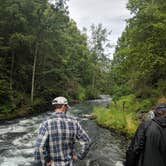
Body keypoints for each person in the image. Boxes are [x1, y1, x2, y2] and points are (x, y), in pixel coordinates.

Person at [34, 96, 91, 166]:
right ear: (64, 106)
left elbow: (39, 148)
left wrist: (43, 163)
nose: (67, 109)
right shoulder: (74, 122)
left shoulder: (45, 123)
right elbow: (87, 141)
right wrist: (79, 156)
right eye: (67, 107)